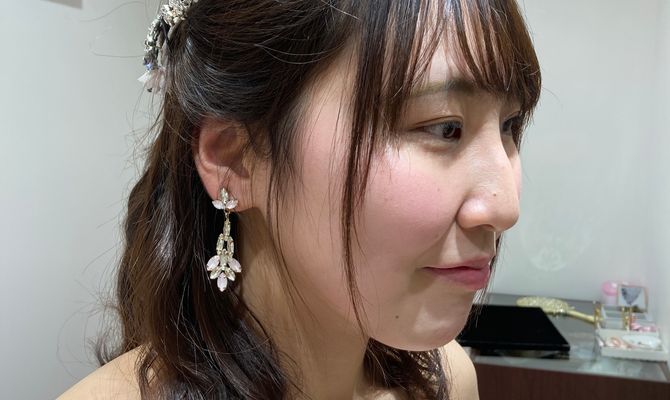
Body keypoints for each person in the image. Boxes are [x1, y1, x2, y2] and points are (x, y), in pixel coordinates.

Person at [59, 0, 540, 398]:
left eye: (510, 125)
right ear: (236, 158)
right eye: (444, 128)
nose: (505, 208)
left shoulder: (447, 381)